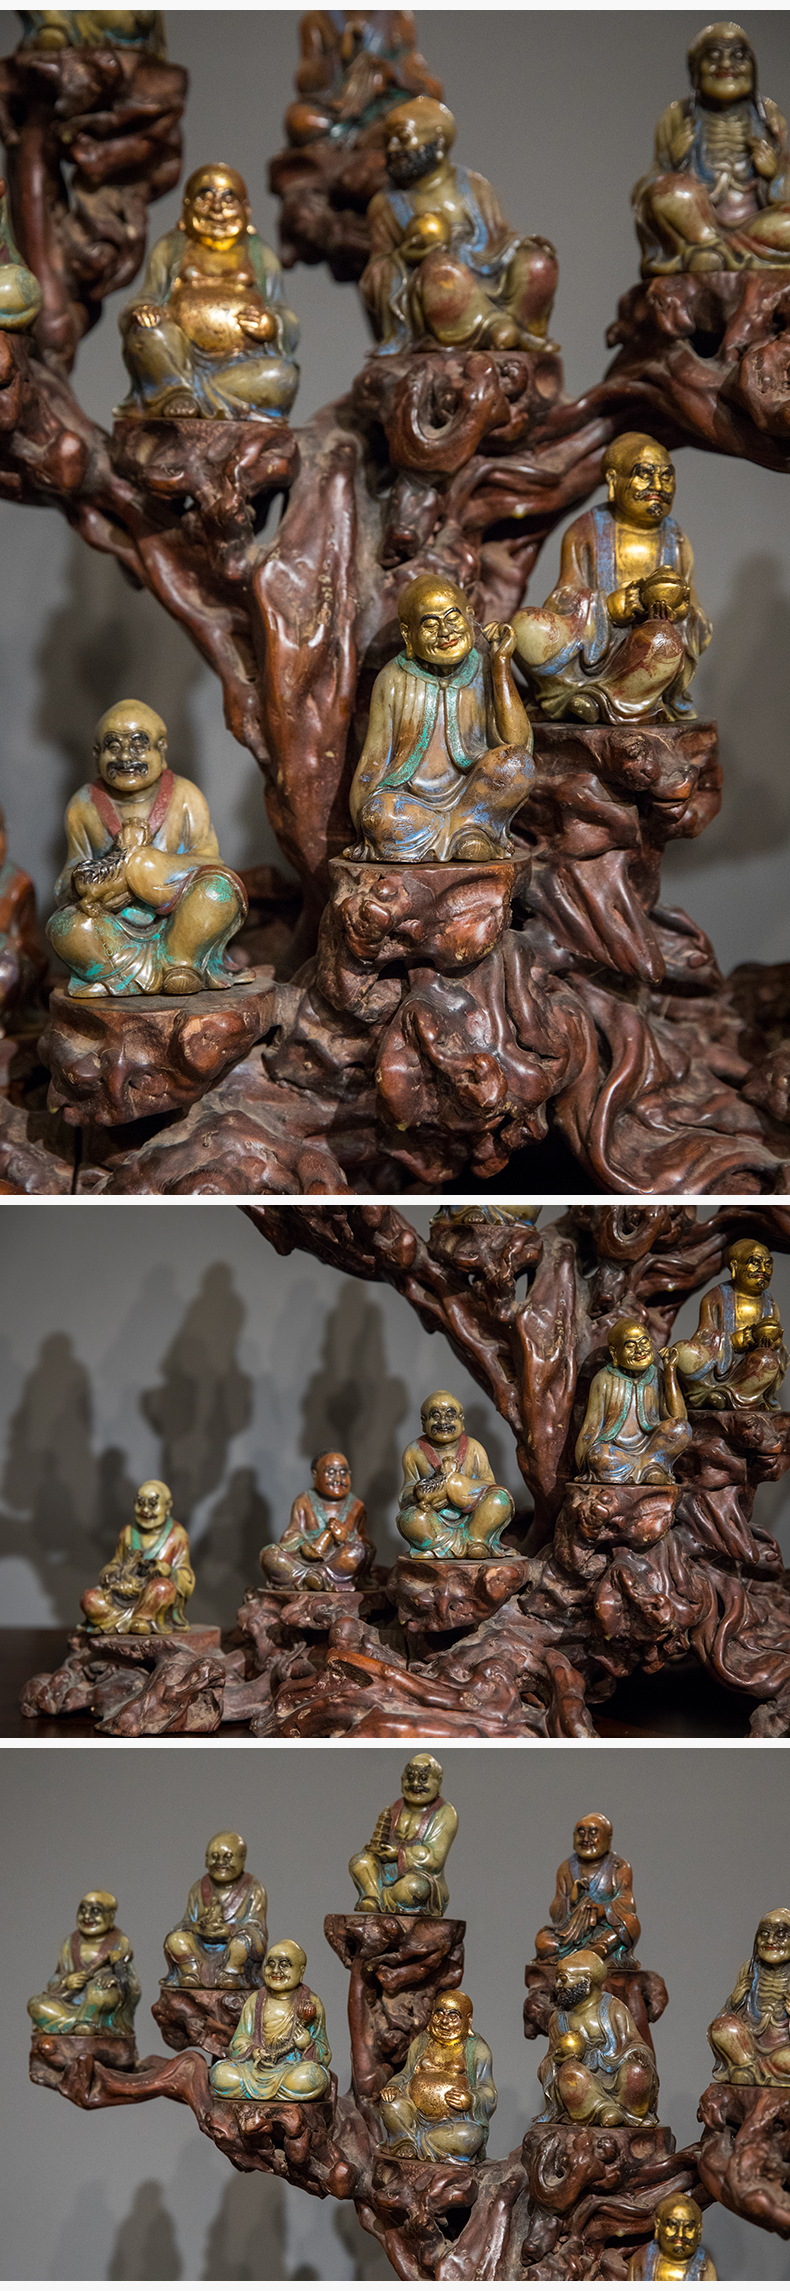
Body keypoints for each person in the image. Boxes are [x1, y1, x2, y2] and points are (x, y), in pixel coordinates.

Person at [48, 698, 250, 998]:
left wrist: (146, 868)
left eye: (138, 745)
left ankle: (182, 963)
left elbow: (211, 863)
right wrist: (97, 881)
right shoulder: (83, 805)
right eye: (113, 747)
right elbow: (66, 882)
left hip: (179, 925)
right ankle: (138, 975)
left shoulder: (185, 795)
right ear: (97, 753)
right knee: (64, 926)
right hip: (115, 929)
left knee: (219, 892)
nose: (125, 757)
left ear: (161, 749)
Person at [511, 435, 710, 724]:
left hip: (642, 648)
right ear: (614, 481)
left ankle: (601, 699)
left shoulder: (675, 540)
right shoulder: (585, 530)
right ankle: (568, 696)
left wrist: (678, 612)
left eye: (667, 477)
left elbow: (698, 618)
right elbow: (561, 598)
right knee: (524, 626)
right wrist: (608, 607)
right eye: (645, 474)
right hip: (591, 642)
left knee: (663, 642)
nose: (658, 486)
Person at [348, 575, 533, 863]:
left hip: (472, 796)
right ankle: (466, 836)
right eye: (430, 625)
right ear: (408, 635)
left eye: (453, 618)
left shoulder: (485, 667)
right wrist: (364, 823)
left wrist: (500, 664)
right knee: (377, 815)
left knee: (518, 764)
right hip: (413, 804)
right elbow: (374, 760)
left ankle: (462, 830)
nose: (445, 632)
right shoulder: (393, 678)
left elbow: (516, 743)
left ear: (470, 617)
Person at [360, 94, 557, 351]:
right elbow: (376, 271)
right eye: (387, 141)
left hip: (490, 272)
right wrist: (408, 256)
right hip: (441, 287)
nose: (393, 148)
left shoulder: (472, 185)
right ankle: (490, 328)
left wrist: (519, 246)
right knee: (442, 273)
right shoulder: (386, 204)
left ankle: (523, 327)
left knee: (537, 263)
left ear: (438, 141)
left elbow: (499, 237)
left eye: (403, 137)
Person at [117, 162, 299, 419]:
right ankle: (176, 390)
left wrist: (271, 325)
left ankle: (192, 392)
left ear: (246, 208)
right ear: (187, 206)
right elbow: (146, 297)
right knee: (146, 335)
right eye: (205, 197)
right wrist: (144, 311)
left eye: (228, 199)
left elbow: (284, 312)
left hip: (240, 364)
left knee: (283, 375)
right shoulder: (171, 247)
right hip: (177, 355)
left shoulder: (260, 253)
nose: (217, 208)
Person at [633, 22, 790, 275]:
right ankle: (711, 247)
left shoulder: (768, 116)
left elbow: (785, 188)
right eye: (714, 56)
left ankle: (717, 254)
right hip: (698, 225)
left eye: (738, 56)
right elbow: (649, 188)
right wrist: (674, 161)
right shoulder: (676, 116)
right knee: (666, 192)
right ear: (696, 68)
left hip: (756, 225)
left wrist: (774, 175)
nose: (726, 64)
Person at [538, 1949, 659, 2127]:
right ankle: (603, 2110)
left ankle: (627, 2112)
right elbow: (548, 2059)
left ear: (586, 1981)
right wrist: (559, 2059)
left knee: (638, 2070)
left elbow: (634, 2042)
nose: (557, 1985)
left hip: (616, 2070)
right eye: (557, 1979)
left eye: (563, 1979)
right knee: (570, 2074)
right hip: (584, 2082)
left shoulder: (614, 2008)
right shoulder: (558, 2018)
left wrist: (637, 2053)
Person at [666, 1237, 787, 1409]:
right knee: (682, 1351)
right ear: (735, 1266)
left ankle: (729, 1395)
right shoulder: (716, 1297)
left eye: (768, 1264)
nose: (763, 1270)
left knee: (769, 1360)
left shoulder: (769, 1303)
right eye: (755, 1263)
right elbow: (703, 1336)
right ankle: (705, 1393)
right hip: (718, 1363)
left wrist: (772, 1342)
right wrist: (741, 1339)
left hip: (751, 1365)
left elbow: (778, 1342)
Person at [378, 1990, 496, 2160]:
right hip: (413, 2117)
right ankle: (405, 2141)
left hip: (452, 2124)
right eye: (439, 2014)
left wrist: (471, 2099)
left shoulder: (477, 2048)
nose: (444, 2022)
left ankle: (418, 2142)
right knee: (390, 2104)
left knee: (471, 2136)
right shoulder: (422, 2042)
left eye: (453, 2016)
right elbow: (406, 2074)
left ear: (468, 2020)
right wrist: (394, 2086)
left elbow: (489, 2091)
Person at [209, 1939, 331, 2102]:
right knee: (220, 2074)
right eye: (270, 1964)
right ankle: (279, 2095)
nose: (276, 1970)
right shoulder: (255, 2000)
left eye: (284, 1965)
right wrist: (254, 2051)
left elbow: (325, 2054)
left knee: (313, 2077)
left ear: (301, 1971)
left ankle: (276, 2093)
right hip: (254, 2069)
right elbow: (238, 2042)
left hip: (291, 2070)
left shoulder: (311, 2002)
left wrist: (308, 2044)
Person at [396, 1389, 514, 1558]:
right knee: (409, 1519)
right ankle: (447, 1547)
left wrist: (457, 1485)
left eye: (450, 1415)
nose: (443, 1422)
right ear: (424, 1422)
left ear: (461, 1419)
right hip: (436, 1521)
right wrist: (426, 1494)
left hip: (472, 1519)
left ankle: (477, 1541)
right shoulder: (414, 1451)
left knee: (499, 1499)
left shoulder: (474, 1447)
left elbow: (489, 1485)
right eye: (435, 1416)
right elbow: (406, 1494)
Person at [575, 1319, 690, 1486]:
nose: (640, 1350)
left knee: (682, 1429)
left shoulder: (657, 1375)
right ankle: (649, 1470)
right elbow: (592, 1425)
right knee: (598, 1455)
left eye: (644, 1342)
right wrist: (584, 1462)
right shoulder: (604, 1379)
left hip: (650, 1447)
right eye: (630, 1346)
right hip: (617, 1451)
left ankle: (645, 1467)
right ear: (614, 1353)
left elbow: (679, 1418)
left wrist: (670, 1372)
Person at [80, 1479, 194, 1635]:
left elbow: (187, 1577)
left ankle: (142, 1618)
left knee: (163, 1588)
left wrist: (169, 1571)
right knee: (89, 1598)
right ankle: (124, 1622)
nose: (145, 1510)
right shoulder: (128, 1532)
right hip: (123, 1598)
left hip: (151, 1599)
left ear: (167, 1506)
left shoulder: (177, 1535)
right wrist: (113, 1576)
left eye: (152, 1504)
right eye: (140, 1503)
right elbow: (116, 1563)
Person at [349, 1752, 458, 1912]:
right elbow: (381, 1841)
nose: (415, 1784)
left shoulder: (445, 1813)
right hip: (386, 1871)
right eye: (410, 1778)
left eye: (423, 1779)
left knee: (413, 1888)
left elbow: (434, 1860)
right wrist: (377, 1850)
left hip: (421, 1876)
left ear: (438, 1781)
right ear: (402, 1781)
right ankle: (372, 1898)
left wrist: (397, 1853)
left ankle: (382, 1898)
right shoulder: (394, 1808)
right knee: (359, 1862)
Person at [27, 1891, 140, 2039]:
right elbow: (55, 1979)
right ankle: (81, 2024)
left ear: (111, 1916)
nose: (87, 1916)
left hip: (98, 2006)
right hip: (71, 2004)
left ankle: (87, 2022)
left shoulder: (119, 1942)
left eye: (95, 1911)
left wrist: (115, 1980)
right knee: (35, 2004)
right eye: (83, 1910)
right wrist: (66, 1981)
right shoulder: (69, 1943)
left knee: (98, 1991)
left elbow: (133, 1985)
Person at [534, 1812, 641, 1967]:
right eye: (581, 1833)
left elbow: (627, 1902)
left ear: (607, 1838)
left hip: (604, 1928)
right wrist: (571, 1900)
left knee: (631, 1923)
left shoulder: (619, 1866)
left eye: (593, 1833)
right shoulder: (566, 1868)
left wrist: (604, 1910)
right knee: (543, 1941)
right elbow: (555, 1911)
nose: (585, 1839)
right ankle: (589, 1955)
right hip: (573, 1931)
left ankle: (599, 1948)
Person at [163, 1832, 268, 1990]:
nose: (220, 1862)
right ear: (206, 1859)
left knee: (242, 1943)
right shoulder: (198, 1888)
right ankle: (191, 1973)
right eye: (214, 1857)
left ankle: (231, 1974)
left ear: (242, 1858)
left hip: (233, 1947)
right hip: (200, 1947)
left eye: (228, 1857)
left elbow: (257, 1928)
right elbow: (186, 1922)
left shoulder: (254, 1888)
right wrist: (197, 1928)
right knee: (176, 1939)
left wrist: (229, 1930)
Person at [259, 1452, 373, 1592]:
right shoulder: (304, 1501)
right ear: (315, 1474)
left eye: (343, 1473)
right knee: (269, 1553)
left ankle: (319, 1575)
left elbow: (368, 1545)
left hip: (336, 1562)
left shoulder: (357, 1506)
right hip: (304, 1561)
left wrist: (346, 1538)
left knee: (357, 1552)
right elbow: (290, 1534)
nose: (338, 1479)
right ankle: (306, 1578)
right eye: (331, 1473)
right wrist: (303, 1545)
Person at [708, 1906, 790, 2086]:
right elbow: (728, 2017)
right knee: (721, 2028)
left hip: (783, 2049)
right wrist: (734, 2002)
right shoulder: (749, 1970)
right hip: (749, 2045)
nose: (770, 1941)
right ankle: (745, 2065)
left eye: (781, 1935)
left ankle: (749, 2070)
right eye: (764, 1934)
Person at [629, 2192, 717, 2280]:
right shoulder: (641, 2258)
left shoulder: (704, 2266)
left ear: (699, 2230)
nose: (680, 2234)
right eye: (672, 2226)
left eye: (688, 2227)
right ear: (658, 2226)